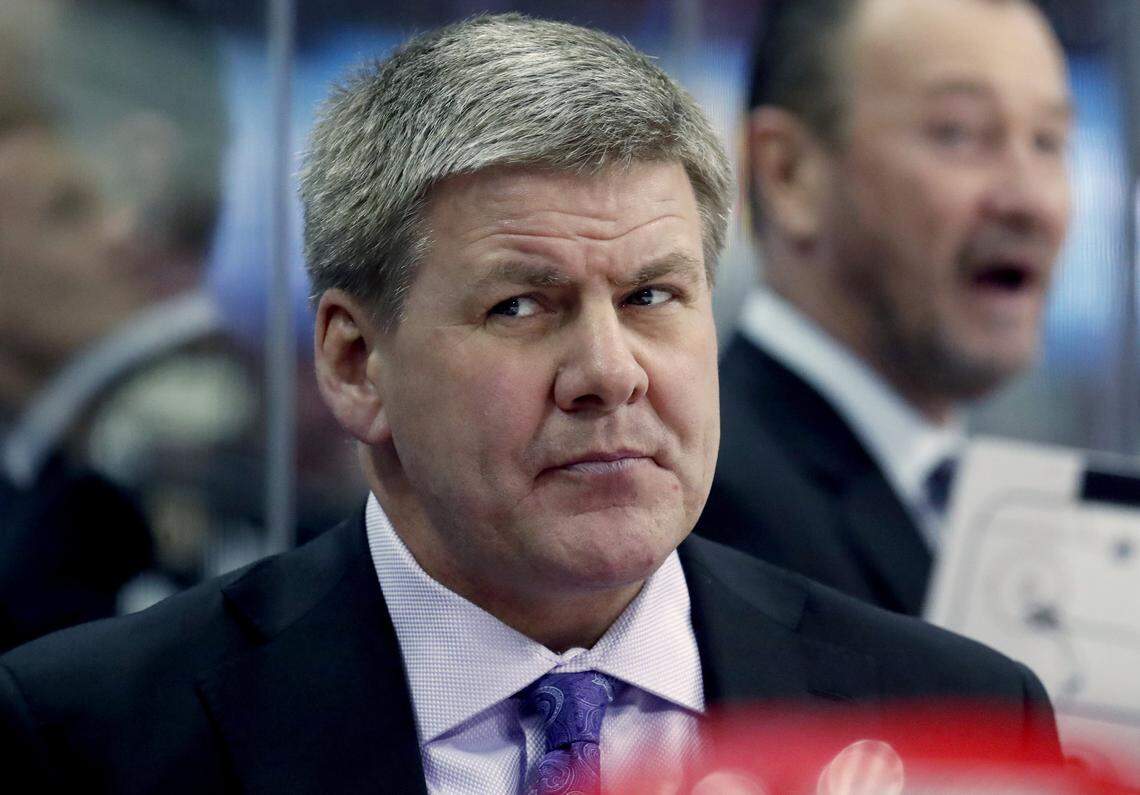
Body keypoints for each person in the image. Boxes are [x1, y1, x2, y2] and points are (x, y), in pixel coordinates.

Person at [0, 14, 1060, 791]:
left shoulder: (964, 724)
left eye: (653, 296)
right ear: (356, 362)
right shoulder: (90, 736)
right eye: (521, 306)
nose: (611, 370)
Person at [697, 0, 1072, 615]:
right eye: (959, 133)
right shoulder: (701, 509)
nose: (1030, 200)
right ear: (786, 173)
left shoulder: (1009, 509)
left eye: (1049, 141)